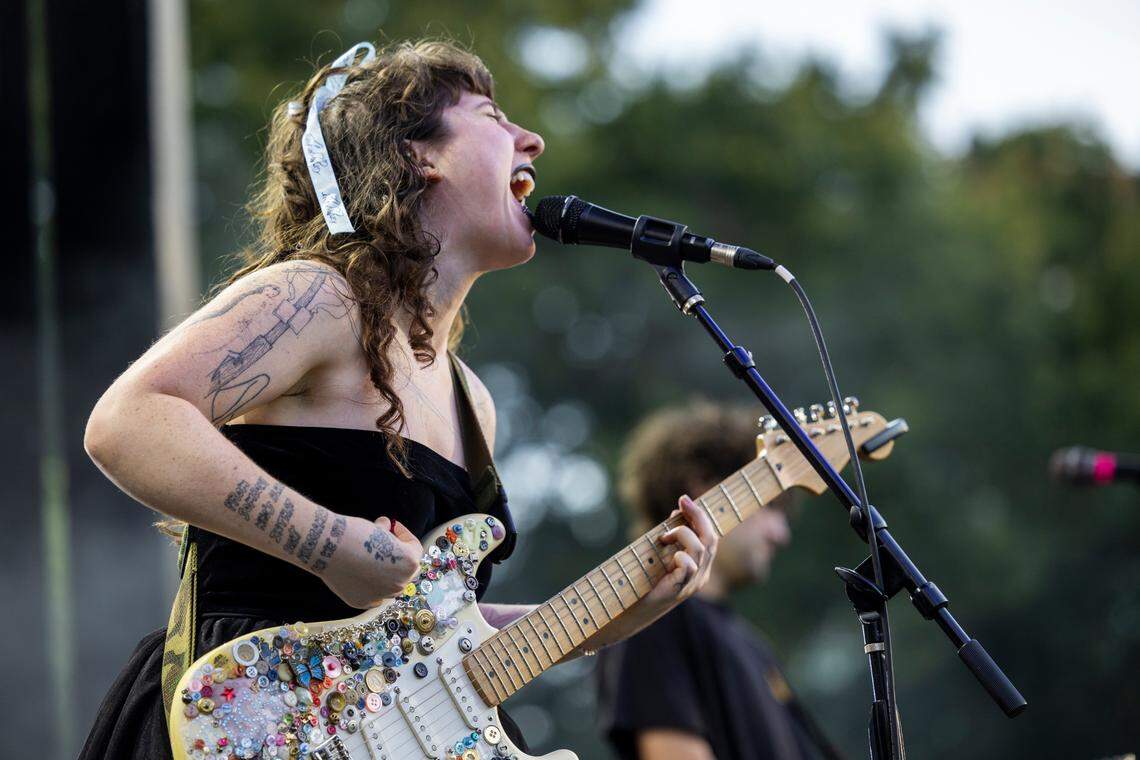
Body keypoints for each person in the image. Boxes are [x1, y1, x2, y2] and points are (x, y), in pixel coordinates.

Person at [79, 38, 719, 759]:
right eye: (493, 117)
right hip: (247, 719)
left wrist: (617, 614)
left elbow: (432, 640)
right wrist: (328, 544)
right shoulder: (320, 297)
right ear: (418, 156)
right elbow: (127, 420)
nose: (531, 139)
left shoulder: (472, 399)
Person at [596, 400, 844, 760]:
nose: (781, 535)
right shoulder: (651, 622)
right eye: (772, 506)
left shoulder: (750, 643)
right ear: (703, 487)